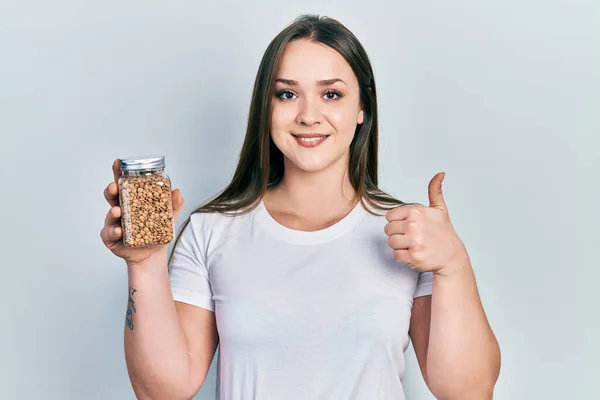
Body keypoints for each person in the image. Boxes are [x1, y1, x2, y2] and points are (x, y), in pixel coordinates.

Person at [101, 14, 500, 400]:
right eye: (287, 94)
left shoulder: (409, 233)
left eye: (331, 94)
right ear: (266, 107)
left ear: (362, 108)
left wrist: (453, 264)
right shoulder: (212, 231)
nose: (309, 115)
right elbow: (163, 392)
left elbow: (467, 391)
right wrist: (145, 263)